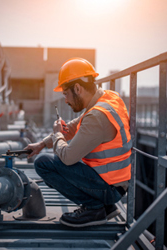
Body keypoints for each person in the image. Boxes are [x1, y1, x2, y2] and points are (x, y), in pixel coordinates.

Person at [24, 57, 132, 227]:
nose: (65, 100)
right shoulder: (108, 99)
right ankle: (107, 207)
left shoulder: (97, 116)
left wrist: (57, 135)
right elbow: (74, 128)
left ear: (77, 88)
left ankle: (94, 208)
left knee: (44, 163)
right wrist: (42, 144)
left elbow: (68, 157)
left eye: (66, 94)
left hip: (109, 188)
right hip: (116, 183)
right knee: (51, 155)